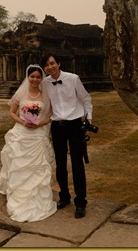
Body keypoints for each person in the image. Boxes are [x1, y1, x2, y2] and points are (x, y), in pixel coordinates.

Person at [0, 64, 57, 222]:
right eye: (32, 76)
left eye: (38, 77)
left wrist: (39, 124)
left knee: (37, 167)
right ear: (28, 78)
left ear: (41, 79)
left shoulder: (45, 96)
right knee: (18, 165)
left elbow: (50, 115)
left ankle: (38, 197)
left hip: (37, 135)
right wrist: (22, 121)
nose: (35, 79)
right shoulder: (20, 94)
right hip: (22, 133)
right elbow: (11, 112)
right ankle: (18, 194)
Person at [40, 52, 93, 219]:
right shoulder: (45, 83)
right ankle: (64, 196)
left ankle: (81, 202)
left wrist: (89, 118)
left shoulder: (73, 78)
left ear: (59, 63)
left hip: (75, 124)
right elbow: (43, 104)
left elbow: (86, 99)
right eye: (47, 65)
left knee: (77, 163)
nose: (50, 67)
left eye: (52, 63)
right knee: (60, 164)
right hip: (57, 126)